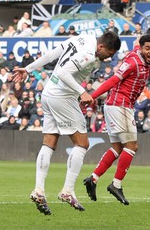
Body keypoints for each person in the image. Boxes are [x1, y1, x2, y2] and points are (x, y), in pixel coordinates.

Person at [13, 32, 121, 214]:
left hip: (48, 92)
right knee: (82, 143)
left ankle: (39, 190)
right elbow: (64, 72)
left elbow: (54, 53)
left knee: (49, 142)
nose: (109, 58)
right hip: (62, 96)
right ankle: (67, 191)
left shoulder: (85, 37)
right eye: (108, 54)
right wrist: (82, 92)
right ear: (101, 46)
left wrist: (29, 68)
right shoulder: (88, 55)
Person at [83, 34, 150, 205]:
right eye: (147, 48)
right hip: (120, 105)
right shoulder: (133, 62)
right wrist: (92, 96)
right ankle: (116, 184)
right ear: (140, 48)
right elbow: (112, 80)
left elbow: (136, 42)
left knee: (117, 148)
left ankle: (93, 179)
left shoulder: (139, 56)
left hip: (117, 105)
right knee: (132, 146)